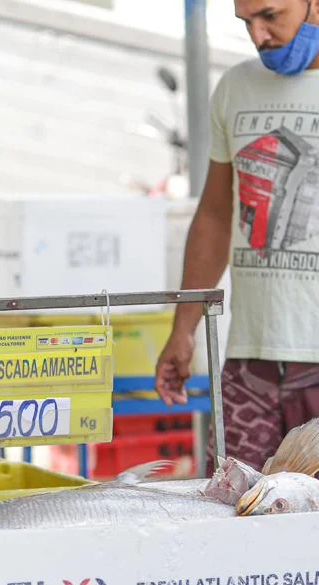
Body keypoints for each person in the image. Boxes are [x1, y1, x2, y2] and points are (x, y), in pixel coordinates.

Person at [156, 0, 319, 471]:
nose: (258, 35)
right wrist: (183, 326)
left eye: (271, 15)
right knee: (230, 519)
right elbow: (214, 215)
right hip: (249, 361)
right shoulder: (236, 87)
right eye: (246, 20)